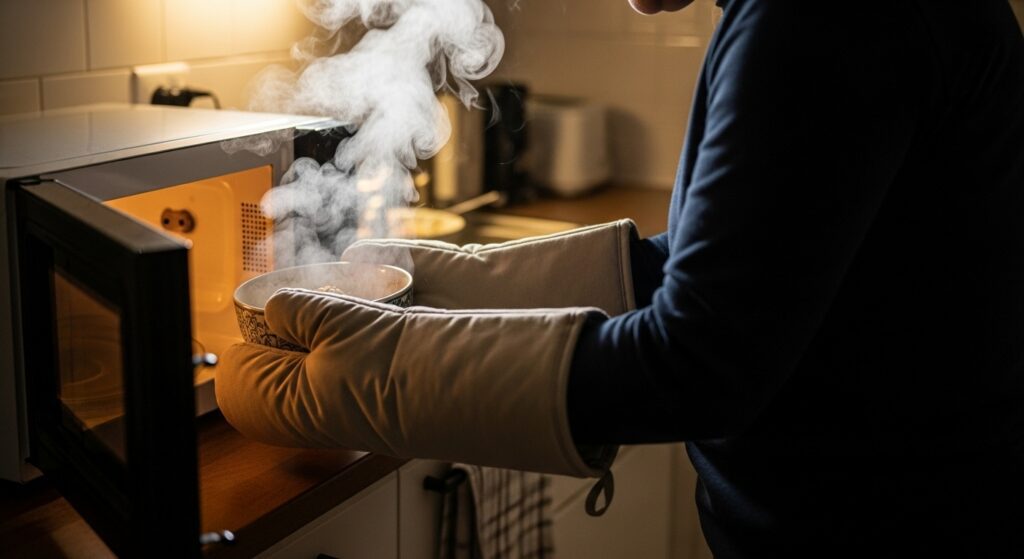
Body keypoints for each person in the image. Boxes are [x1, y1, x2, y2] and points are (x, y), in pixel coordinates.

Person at [217, 0, 1024, 556]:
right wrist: (430, 280)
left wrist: (352, 376)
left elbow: (702, 359)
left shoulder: (820, 18)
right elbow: (733, 272)